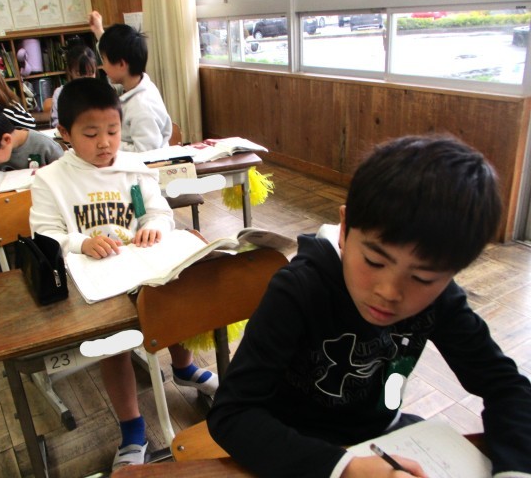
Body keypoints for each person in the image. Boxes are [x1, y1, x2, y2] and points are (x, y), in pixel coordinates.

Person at [207, 135, 531, 478]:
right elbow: (232, 413)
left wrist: (516, 470)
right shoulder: (299, 290)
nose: (389, 292)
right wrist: (346, 468)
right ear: (345, 229)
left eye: (422, 278)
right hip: (295, 449)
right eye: (375, 261)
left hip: (383, 436)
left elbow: (507, 387)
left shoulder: (442, 299)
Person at [29, 77, 217, 471]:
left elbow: (158, 212)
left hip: (143, 270)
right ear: (64, 133)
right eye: (91, 134)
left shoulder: (134, 168)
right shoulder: (51, 180)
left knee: (179, 301)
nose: (105, 143)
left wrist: (155, 226)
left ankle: (184, 368)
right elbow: (45, 236)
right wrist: (81, 243)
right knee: (113, 347)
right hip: (97, 286)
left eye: (113, 131)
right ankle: (132, 428)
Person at [89, 12, 172, 152]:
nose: (103, 66)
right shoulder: (138, 83)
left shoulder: (141, 106)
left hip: (145, 164)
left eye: (104, 61)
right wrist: (98, 31)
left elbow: (147, 152)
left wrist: (111, 143)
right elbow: (114, 50)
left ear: (121, 64)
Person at [49, 39, 98, 128]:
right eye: (80, 74)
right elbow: (57, 123)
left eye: (91, 73)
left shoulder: (102, 92)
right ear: (70, 71)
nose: (85, 79)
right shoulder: (60, 93)